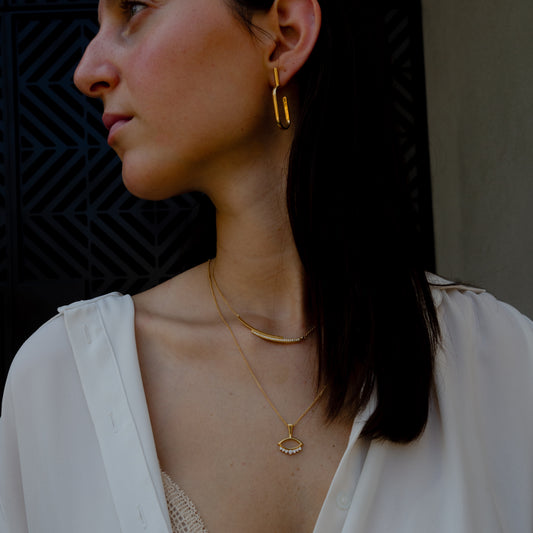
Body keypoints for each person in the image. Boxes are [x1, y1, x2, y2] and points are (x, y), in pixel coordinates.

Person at [1, 0, 533, 531]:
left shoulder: (504, 365)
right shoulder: (62, 383)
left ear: (284, 34)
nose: (86, 71)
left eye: (135, 7)